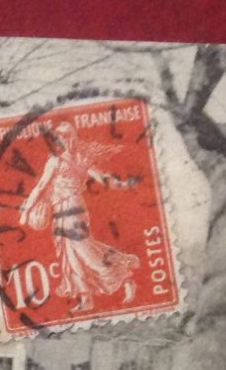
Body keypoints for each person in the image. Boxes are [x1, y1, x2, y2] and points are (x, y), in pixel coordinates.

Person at [20, 121, 140, 313]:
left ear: (71, 139)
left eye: (66, 138)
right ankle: (86, 298)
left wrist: (26, 211)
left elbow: (43, 186)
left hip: (73, 207)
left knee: (84, 250)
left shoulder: (70, 161)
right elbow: (42, 186)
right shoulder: (63, 161)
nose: (63, 141)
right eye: (60, 138)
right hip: (61, 210)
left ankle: (124, 276)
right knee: (71, 253)